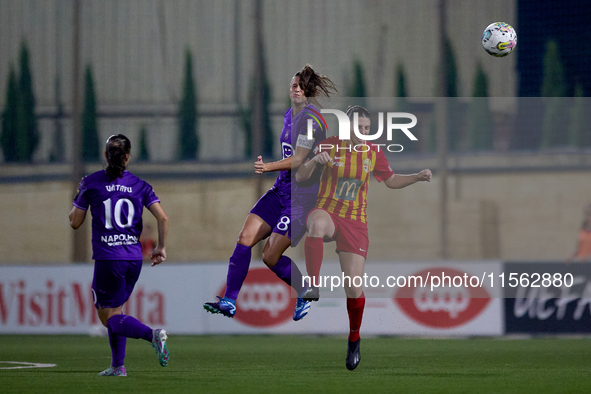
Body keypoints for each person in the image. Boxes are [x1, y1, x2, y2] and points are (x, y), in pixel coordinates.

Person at [296, 106, 432, 370]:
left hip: (355, 223)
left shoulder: (372, 152)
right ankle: (312, 285)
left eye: (368, 129)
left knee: (354, 289)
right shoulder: (329, 145)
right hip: (329, 211)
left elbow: (390, 181)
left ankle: (354, 339)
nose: (365, 133)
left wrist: (416, 177)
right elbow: (301, 176)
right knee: (316, 223)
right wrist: (314, 161)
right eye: (361, 128)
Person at [203, 64, 337, 320]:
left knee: (269, 255)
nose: (295, 89)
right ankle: (230, 301)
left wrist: (268, 166)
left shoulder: (311, 120)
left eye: (299, 86)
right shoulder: (290, 116)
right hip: (280, 191)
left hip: (301, 200)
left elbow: (298, 159)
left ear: (308, 91)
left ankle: (305, 290)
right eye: (292, 85)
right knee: (245, 238)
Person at [69, 134, 170, 376]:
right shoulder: (140, 185)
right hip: (133, 258)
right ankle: (117, 366)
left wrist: (79, 193)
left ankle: (152, 335)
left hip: (108, 257)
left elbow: (75, 222)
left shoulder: (91, 182)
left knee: (108, 317)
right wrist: (161, 248)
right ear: (127, 157)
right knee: (117, 312)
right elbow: (163, 217)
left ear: (105, 155)